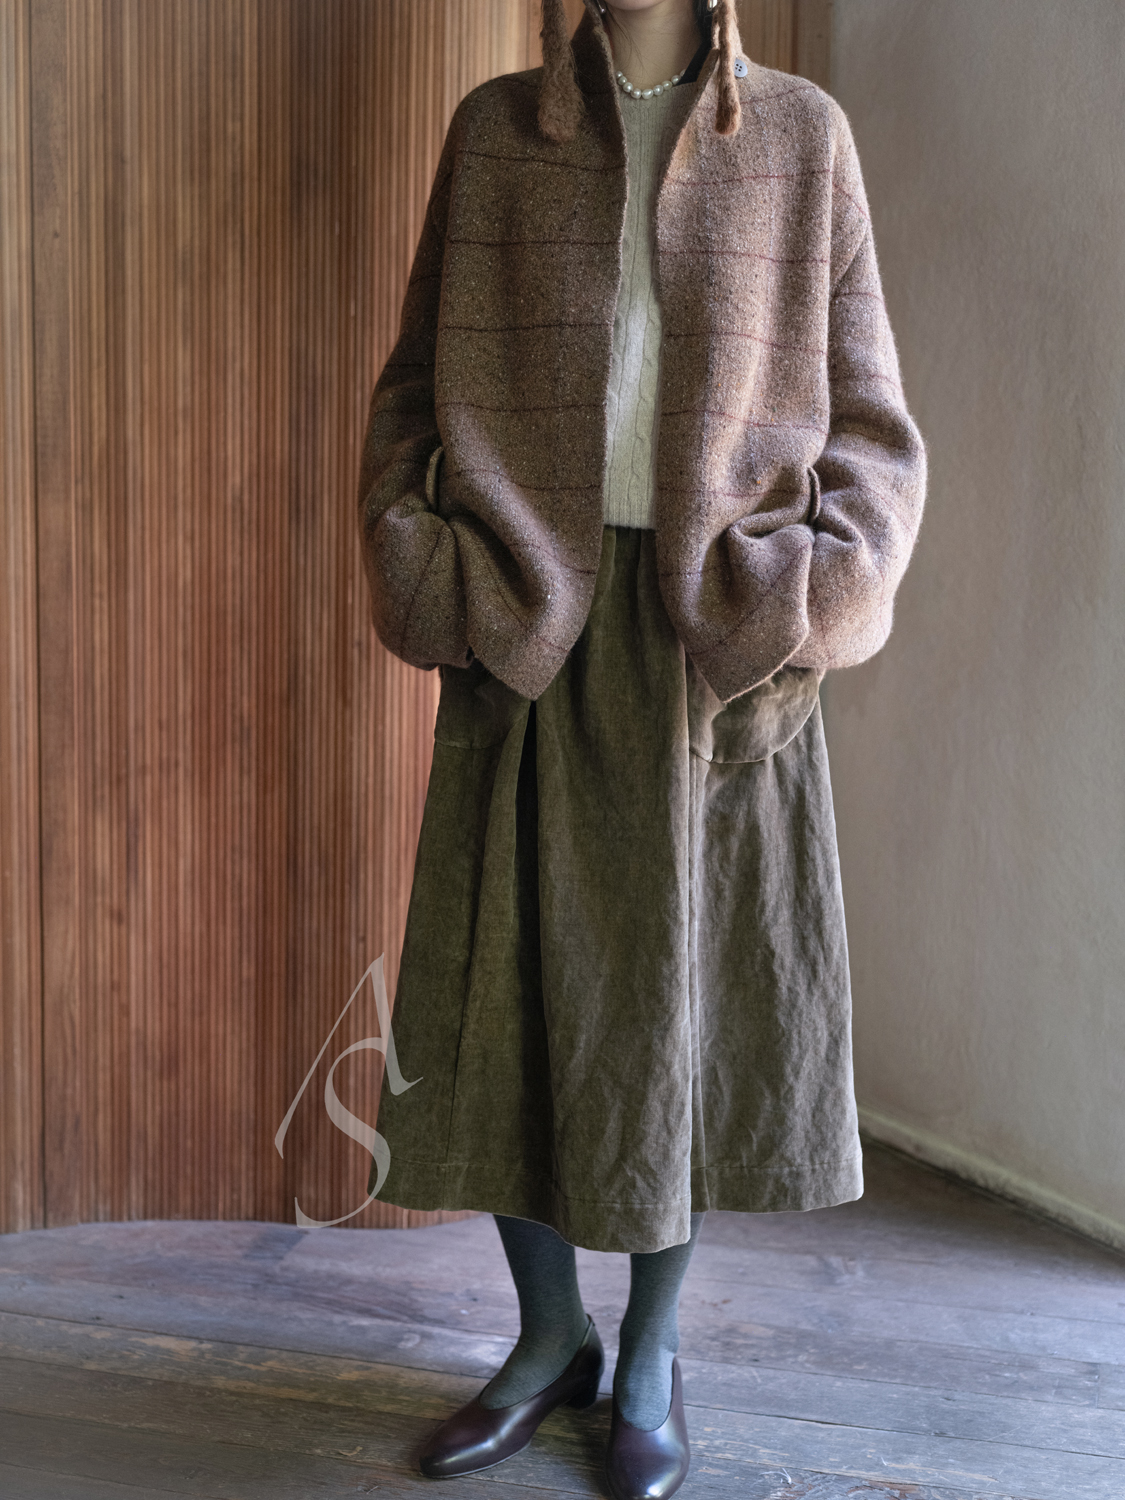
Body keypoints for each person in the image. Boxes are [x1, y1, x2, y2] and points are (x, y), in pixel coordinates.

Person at [355, 0, 926, 1495]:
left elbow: (872, 426)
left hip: (714, 642)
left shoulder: (800, 136)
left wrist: (807, 593)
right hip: (523, 622)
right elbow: (411, 387)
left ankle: (654, 1358)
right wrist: (425, 562)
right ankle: (549, 1342)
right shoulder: (495, 132)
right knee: (503, 1004)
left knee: (693, 1014)